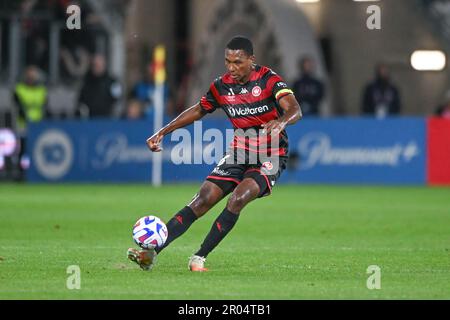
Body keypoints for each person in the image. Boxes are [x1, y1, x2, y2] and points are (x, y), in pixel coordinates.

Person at [127, 36, 302, 272]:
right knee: (203, 199)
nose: (232, 67)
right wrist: (163, 132)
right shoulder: (221, 86)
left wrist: (281, 122)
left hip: (271, 155)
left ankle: (199, 257)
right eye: (228, 61)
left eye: (238, 62)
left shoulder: (269, 80)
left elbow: (295, 109)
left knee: (238, 198)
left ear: (251, 60)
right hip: (239, 152)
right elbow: (199, 110)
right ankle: (150, 254)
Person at [76, 54, 122, 118]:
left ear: (104, 65)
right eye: (94, 65)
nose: (96, 68)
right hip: (90, 118)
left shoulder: (112, 82)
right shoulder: (87, 82)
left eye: (98, 65)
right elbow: (81, 100)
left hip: (108, 118)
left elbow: (117, 100)